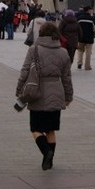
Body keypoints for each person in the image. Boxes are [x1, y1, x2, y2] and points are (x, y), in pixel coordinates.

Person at [16, 21, 73, 170]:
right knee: (51, 130)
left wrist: (19, 90)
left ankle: (46, 152)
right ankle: (49, 161)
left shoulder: (34, 50)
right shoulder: (63, 52)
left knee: (35, 128)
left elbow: (25, 71)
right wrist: (69, 96)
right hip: (56, 91)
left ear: (41, 34)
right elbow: (67, 77)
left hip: (37, 92)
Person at [75, 6, 95, 71]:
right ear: (88, 10)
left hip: (81, 38)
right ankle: (87, 66)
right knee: (88, 52)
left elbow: (76, 28)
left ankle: (79, 63)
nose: (92, 11)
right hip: (89, 38)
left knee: (80, 51)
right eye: (91, 10)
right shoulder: (92, 19)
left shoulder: (79, 18)